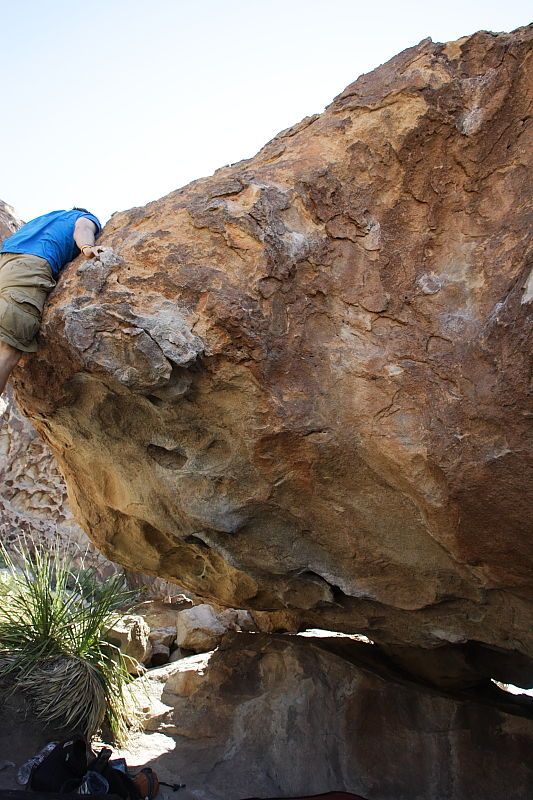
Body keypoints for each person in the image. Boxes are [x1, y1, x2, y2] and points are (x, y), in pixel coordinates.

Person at [0, 207, 103, 395]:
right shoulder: (83, 217)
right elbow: (83, 229)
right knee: (7, 350)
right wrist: (88, 248)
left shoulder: (43, 218)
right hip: (29, 266)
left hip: (5, 264)